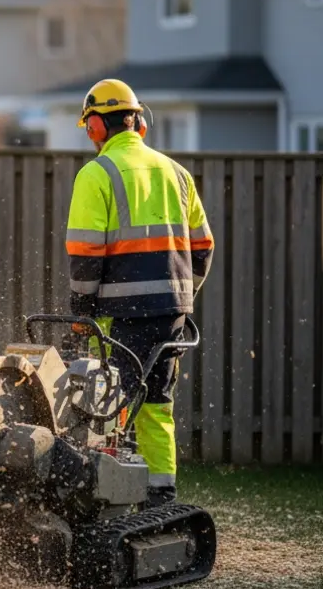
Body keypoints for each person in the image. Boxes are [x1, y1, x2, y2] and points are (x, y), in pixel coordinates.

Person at [64, 78, 214, 508]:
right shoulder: (178, 174)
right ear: (138, 123)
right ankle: (160, 493)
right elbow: (203, 247)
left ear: (95, 127)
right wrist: (181, 295)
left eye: (89, 127)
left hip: (118, 312)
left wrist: (81, 313)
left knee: (108, 401)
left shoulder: (97, 174)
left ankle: (104, 495)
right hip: (171, 312)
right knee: (157, 403)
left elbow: (86, 255)